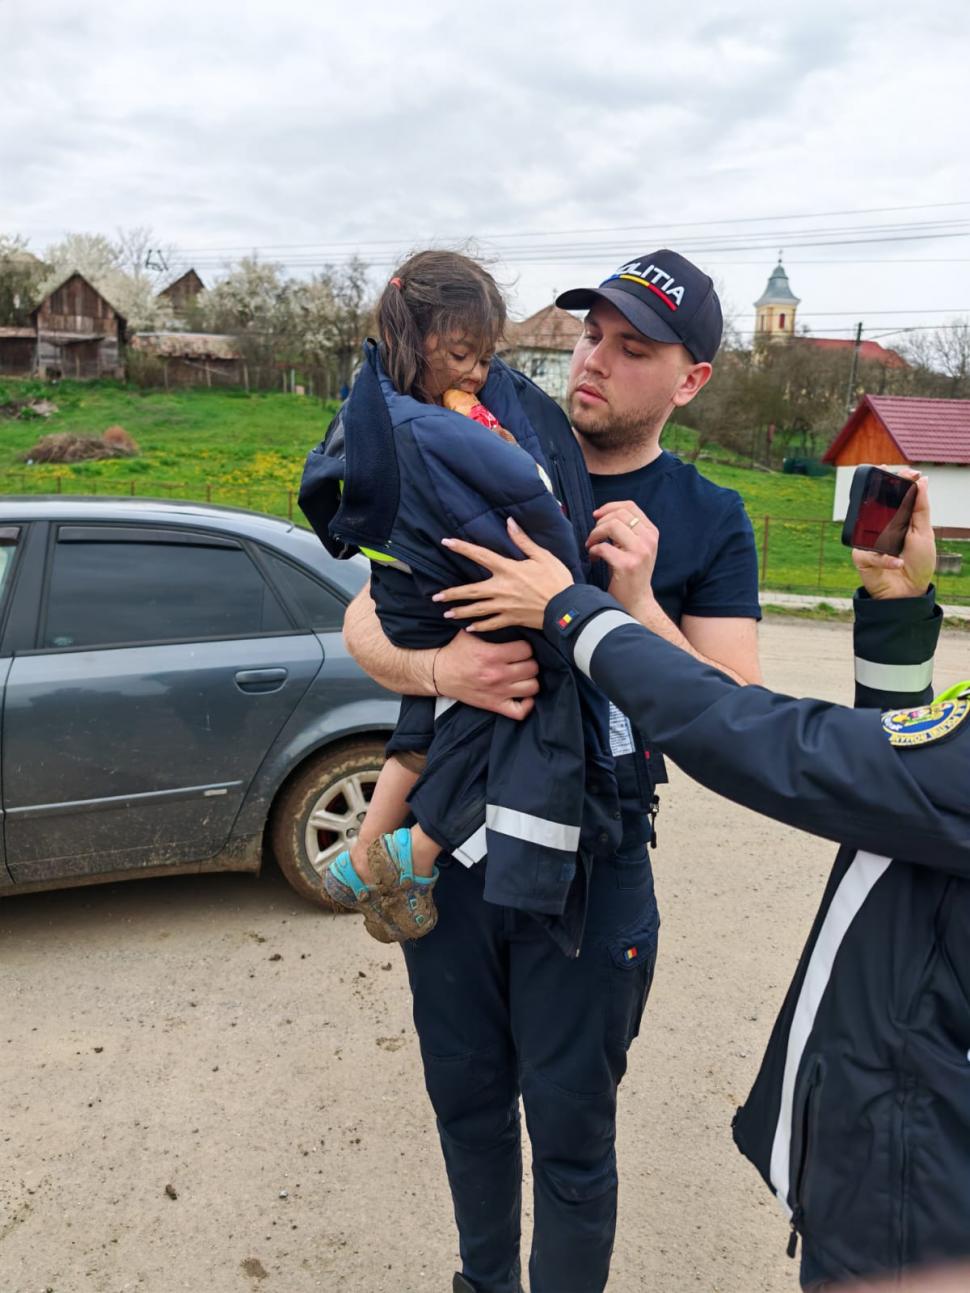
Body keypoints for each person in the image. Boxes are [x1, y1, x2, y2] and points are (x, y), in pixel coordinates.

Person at [431, 471, 970, 1292]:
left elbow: (769, 743)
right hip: (901, 1165)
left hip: (916, 1203)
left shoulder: (708, 515)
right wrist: (895, 611)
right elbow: (893, 782)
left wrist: (572, 610)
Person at [340, 250, 763, 1293]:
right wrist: (443, 668)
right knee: (467, 1112)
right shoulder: (493, 445)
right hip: (457, 857)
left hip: (595, 865)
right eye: (587, 336)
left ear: (689, 379)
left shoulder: (707, 518)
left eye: (632, 349)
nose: (594, 363)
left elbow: (738, 715)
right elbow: (364, 612)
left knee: (571, 1143)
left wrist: (634, 600)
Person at [299, 249, 623, 951]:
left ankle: (364, 854)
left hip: (422, 603)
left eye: (484, 357)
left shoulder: (397, 403)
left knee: (424, 723)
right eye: (459, 355)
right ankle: (412, 852)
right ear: (408, 342)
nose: (476, 374)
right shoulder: (409, 424)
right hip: (438, 594)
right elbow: (504, 487)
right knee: (500, 705)